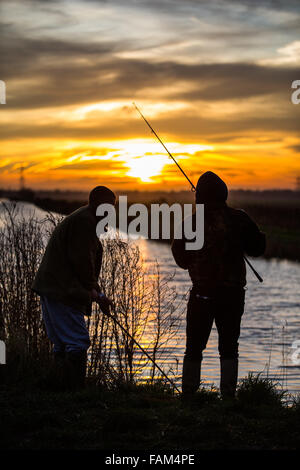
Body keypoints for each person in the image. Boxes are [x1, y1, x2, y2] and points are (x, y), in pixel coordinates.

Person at [171, 171, 266, 399]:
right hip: (232, 295)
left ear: (200, 197)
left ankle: (189, 396)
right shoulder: (240, 218)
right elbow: (258, 248)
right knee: (229, 347)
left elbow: (181, 260)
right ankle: (228, 397)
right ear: (224, 194)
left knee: (193, 348)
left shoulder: (191, 223)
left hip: (201, 296)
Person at [32, 186, 116, 390]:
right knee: (78, 341)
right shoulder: (85, 223)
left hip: (53, 288)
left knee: (62, 342)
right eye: (109, 207)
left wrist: (98, 295)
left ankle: (57, 387)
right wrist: (94, 292)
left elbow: (83, 263)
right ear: (97, 205)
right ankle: (75, 391)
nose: (111, 213)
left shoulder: (86, 219)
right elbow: (82, 262)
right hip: (62, 291)